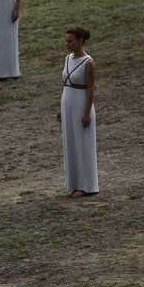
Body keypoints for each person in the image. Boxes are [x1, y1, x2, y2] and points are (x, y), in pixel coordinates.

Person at [56, 27, 99, 198]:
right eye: (66, 41)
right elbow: (66, 84)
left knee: (83, 144)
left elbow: (90, 90)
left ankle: (87, 185)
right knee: (72, 143)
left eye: (70, 41)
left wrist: (87, 112)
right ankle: (75, 183)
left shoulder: (88, 62)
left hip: (81, 105)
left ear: (80, 41)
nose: (67, 44)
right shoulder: (68, 59)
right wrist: (61, 108)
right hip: (68, 104)